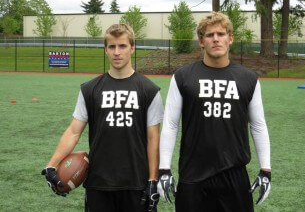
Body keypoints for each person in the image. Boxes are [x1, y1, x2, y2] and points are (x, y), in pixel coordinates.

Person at [42, 23, 163, 212]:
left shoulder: (149, 90)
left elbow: (152, 138)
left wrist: (152, 180)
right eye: (112, 46)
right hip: (99, 182)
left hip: (136, 183)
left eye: (122, 46)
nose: (117, 52)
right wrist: (51, 164)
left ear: (132, 48)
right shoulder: (90, 89)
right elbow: (74, 131)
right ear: (105, 49)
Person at [158, 12, 271, 212]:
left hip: (234, 173)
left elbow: (258, 124)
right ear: (201, 41)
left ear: (231, 38)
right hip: (193, 172)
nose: (216, 39)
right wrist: (164, 169)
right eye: (210, 35)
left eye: (221, 34)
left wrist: (265, 169)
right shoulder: (183, 76)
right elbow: (171, 124)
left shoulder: (248, 78)